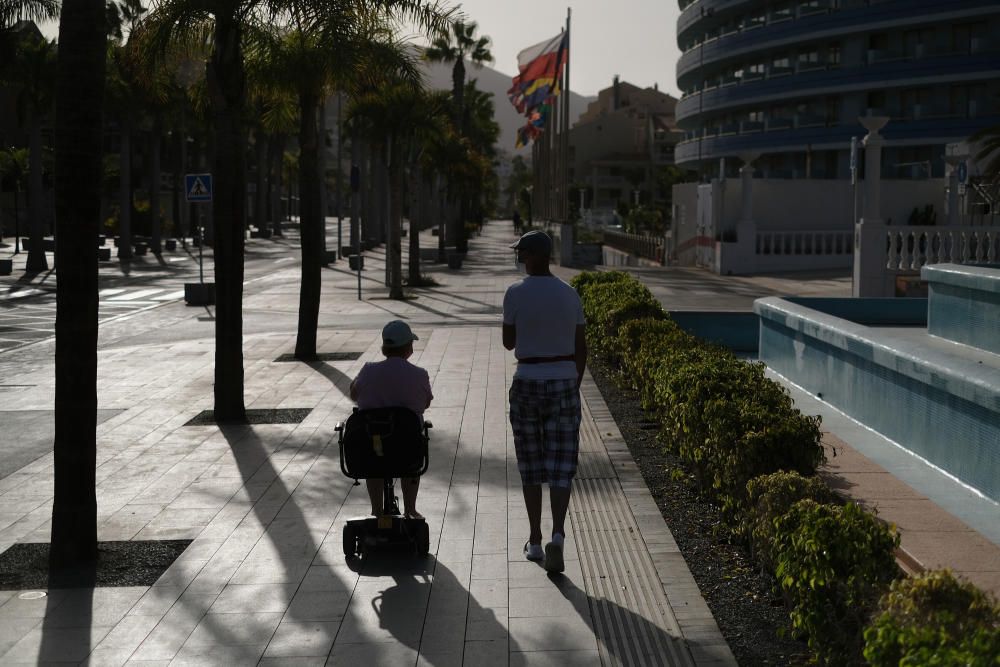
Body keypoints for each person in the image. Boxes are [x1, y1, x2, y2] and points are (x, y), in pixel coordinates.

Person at [502, 230, 587, 573]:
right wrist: (573, 382)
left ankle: (535, 540)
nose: (520, 258)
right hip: (564, 379)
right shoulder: (570, 294)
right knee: (561, 465)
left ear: (532, 256)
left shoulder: (515, 293)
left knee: (531, 464)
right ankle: (558, 534)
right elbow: (582, 347)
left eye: (522, 253)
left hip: (527, 381)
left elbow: (508, 343)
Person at [349, 320, 434, 519]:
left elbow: (354, 394)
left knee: (374, 463)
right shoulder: (419, 374)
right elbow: (425, 404)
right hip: (405, 446)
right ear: (408, 347)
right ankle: (410, 509)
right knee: (411, 453)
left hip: (372, 445)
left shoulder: (368, 370)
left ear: (385, 347)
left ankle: (377, 511)